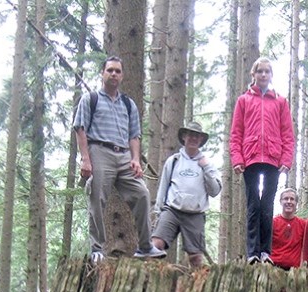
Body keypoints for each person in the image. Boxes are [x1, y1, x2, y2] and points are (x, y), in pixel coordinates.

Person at [73, 56, 161, 261]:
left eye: (117, 71)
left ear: (122, 76)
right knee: (98, 197)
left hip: (124, 155)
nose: (113, 74)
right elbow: (80, 128)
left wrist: (136, 159)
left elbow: (134, 135)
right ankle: (97, 249)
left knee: (141, 193)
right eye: (110, 70)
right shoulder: (91, 99)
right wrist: (85, 159)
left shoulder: (128, 104)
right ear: (102, 73)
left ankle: (146, 246)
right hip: (99, 151)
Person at [230, 57, 295, 265]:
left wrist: (286, 158)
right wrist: (237, 158)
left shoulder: (280, 101)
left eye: (267, 71)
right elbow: (236, 132)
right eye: (260, 72)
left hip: (273, 158)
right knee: (253, 206)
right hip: (250, 158)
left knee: (267, 206)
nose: (264, 75)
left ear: (271, 75)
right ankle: (252, 253)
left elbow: (287, 133)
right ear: (254, 74)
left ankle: (266, 251)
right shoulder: (244, 100)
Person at [151, 121, 222, 269]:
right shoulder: (174, 161)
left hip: (195, 213)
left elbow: (215, 191)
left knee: (196, 258)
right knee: (156, 246)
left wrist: (206, 167)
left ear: (201, 140)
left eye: (197, 136)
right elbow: (163, 187)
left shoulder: (208, 164)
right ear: (184, 137)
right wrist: (158, 211)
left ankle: (195, 288)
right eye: (191, 135)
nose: (193, 139)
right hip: (172, 210)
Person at [270, 188, 306, 269]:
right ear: (280, 202)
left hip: (295, 271)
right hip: (274, 268)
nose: (289, 202)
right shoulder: (272, 223)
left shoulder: (303, 224)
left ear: (296, 203)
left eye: (292, 199)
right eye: (286, 199)